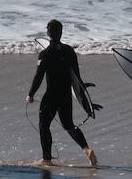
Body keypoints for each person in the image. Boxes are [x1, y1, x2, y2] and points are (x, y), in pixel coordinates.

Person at [25, 19, 98, 167]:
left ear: (48, 33)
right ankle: (87, 149)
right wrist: (85, 100)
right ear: (61, 32)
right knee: (69, 125)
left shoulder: (45, 54)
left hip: (51, 95)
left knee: (44, 125)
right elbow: (76, 77)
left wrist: (31, 94)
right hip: (65, 96)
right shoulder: (69, 51)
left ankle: (46, 159)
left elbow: (38, 77)